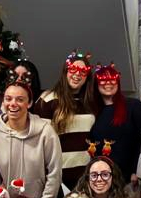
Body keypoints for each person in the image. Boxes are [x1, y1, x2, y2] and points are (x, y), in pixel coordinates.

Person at [0, 81, 63, 198]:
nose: (13, 103)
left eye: (20, 99)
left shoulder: (45, 131)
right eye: (8, 99)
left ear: (30, 103)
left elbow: (54, 172)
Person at [36, 52, 96, 189]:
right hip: (57, 176)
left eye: (83, 72)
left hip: (85, 175)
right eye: (72, 70)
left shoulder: (89, 103)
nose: (77, 74)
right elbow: (41, 142)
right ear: (65, 72)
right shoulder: (48, 100)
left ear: (87, 77)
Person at [87, 63, 141, 178]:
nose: (108, 83)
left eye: (112, 80)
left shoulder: (134, 107)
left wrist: (136, 170)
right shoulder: (92, 111)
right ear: (96, 84)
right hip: (100, 177)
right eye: (103, 80)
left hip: (128, 177)